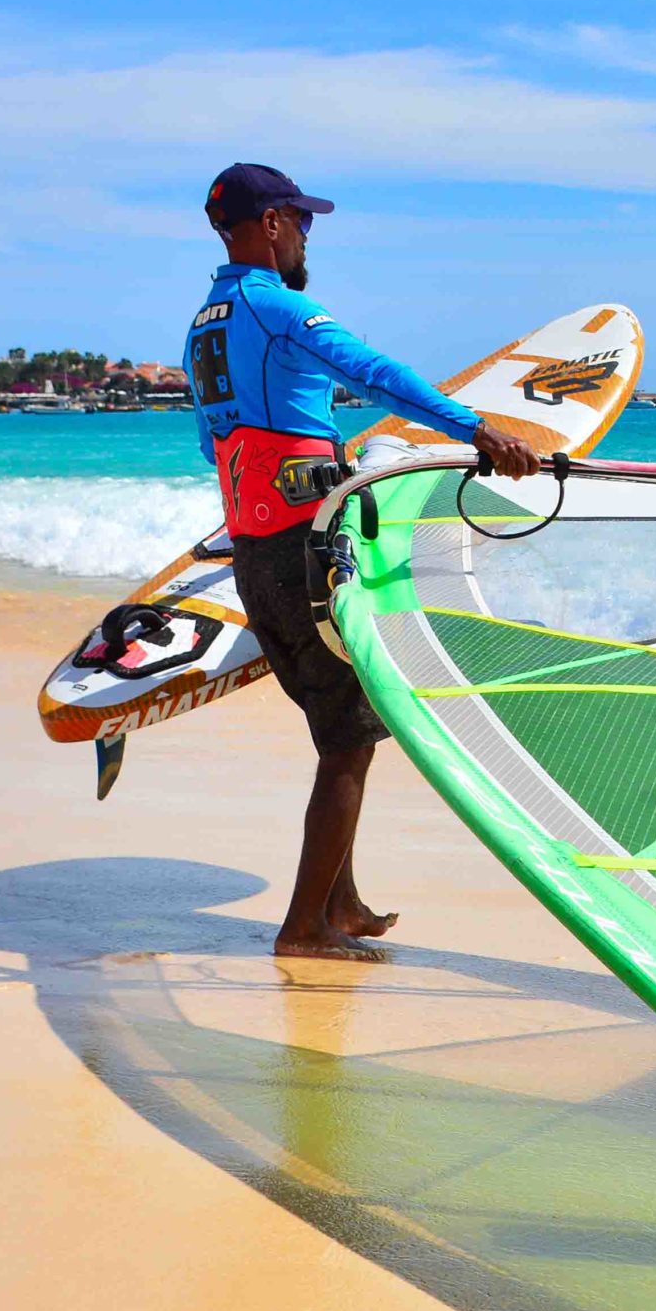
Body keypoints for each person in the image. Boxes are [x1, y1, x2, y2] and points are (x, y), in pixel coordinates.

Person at [186, 162, 541, 960]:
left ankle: (338, 903)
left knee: (338, 723)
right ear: (272, 221)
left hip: (255, 546)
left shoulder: (203, 325)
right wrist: (476, 431)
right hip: (297, 549)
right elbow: (374, 372)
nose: (308, 233)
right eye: (302, 220)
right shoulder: (277, 308)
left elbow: (213, 442)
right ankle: (304, 927)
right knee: (348, 738)